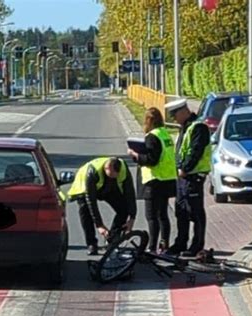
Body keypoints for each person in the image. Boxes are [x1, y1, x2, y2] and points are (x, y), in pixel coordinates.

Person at [127, 107, 177, 253]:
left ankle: (152, 247)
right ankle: (165, 243)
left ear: (148, 121)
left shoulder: (152, 137)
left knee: (151, 216)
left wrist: (135, 155)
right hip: (167, 179)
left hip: (153, 180)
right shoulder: (165, 135)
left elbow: (151, 160)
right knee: (163, 215)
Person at [166, 99, 211, 257]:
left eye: (174, 115)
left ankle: (197, 246)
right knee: (181, 211)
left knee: (196, 212)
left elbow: (195, 151)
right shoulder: (185, 127)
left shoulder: (198, 127)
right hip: (183, 177)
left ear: (183, 111)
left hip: (193, 176)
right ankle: (180, 243)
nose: (174, 119)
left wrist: (184, 168)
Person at [68, 157, 137, 255]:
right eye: (109, 176)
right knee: (85, 211)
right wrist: (99, 225)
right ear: (106, 169)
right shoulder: (92, 171)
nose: (111, 178)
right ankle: (91, 244)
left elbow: (130, 193)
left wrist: (132, 218)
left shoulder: (123, 168)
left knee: (123, 209)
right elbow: (91, 201)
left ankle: (112, 240)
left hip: (106, 188)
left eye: (114, 177)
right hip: (85, 189)